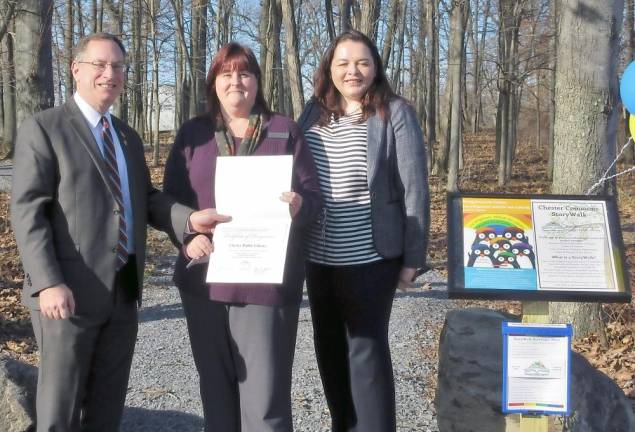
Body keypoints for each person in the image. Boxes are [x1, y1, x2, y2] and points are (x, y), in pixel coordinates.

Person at [10, 32, 227, 432]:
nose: (110, 74)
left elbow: (145, 199)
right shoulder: (45, 128)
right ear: (76, 69)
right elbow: (28, 212)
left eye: (118, 66)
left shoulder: (125, 136)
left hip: (123, 292)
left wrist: (188, 220)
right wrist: (47, 282)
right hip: (67, 295)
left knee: (106, 410)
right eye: (100, 64)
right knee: (60, 410)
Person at [162, 42, 321, 432]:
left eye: (245, 73)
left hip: (265, 284)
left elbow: (315, 199)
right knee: (216, 392)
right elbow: (167, 203)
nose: (236, 81)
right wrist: (187, 237)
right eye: (227, 73)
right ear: (214, 82)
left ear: (257, 82)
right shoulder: (192, 134)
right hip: (205, 280)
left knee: (265, 399)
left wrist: (299, 205)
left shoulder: (284, 130)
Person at [297, 30, 430, 432]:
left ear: (375, 68)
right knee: (330, 353)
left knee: (366, 354)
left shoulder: (393, 112)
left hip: (370, 259)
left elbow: (415, 188)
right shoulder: (311, 114)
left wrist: (412, 259)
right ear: (329, 69)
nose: (352, 71)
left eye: (362, 62)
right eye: (343, 63)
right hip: (319, 259)